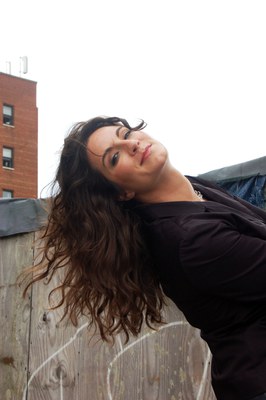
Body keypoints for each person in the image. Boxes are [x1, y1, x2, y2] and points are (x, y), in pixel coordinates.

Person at [24, 116, 266, 400]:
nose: (132, 144)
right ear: (121, 192)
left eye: (125, 133)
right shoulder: (190, 241)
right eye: (114, 157)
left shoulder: (193, 191)